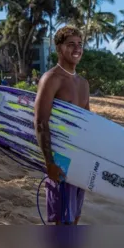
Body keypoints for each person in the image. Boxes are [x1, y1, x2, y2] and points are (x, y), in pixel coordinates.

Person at [34, 26, 90, 226]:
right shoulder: (51, 79)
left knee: (74, 219)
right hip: (60, 158)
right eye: (70, 44)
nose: (77, 49)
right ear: (58, 49)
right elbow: (41, 122)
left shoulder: (83, 84)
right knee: (61, 221)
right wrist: (49, 162)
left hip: (79, 160)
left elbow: (88, 125)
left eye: (79, 44)